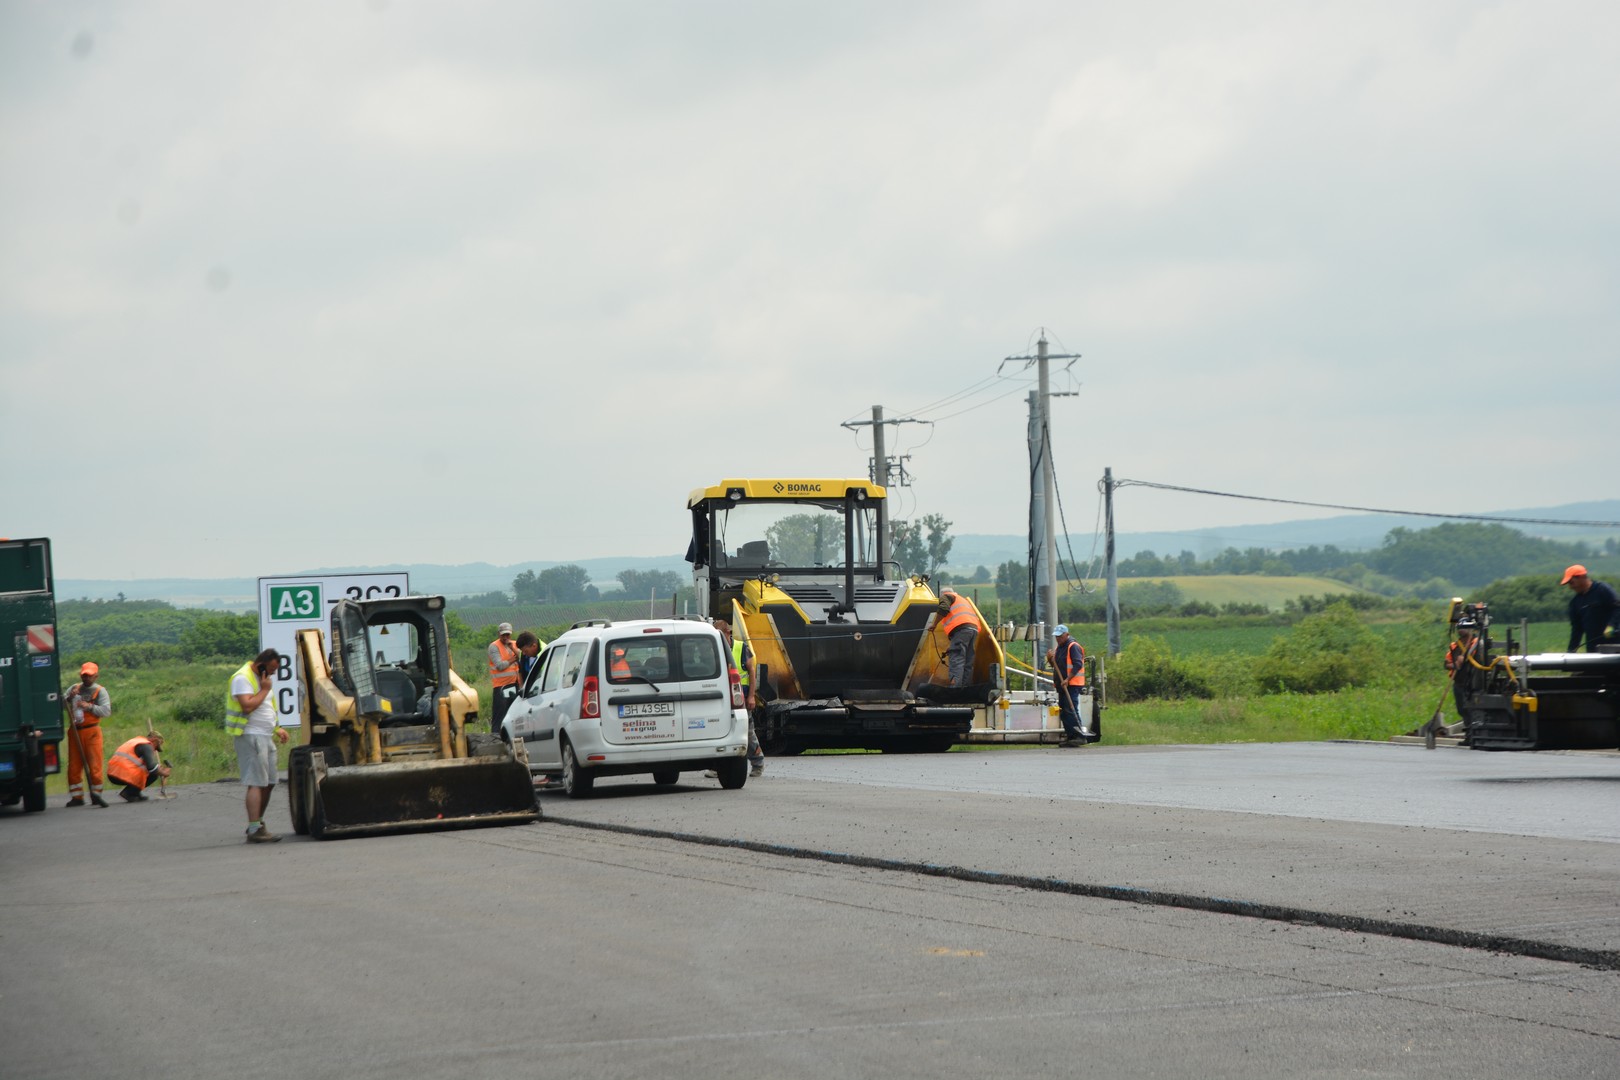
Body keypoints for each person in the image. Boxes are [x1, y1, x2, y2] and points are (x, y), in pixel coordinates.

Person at [226, 648, 290, 843]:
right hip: (251, 735)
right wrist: (264, 689)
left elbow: (266, 707)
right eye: (271, 668)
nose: (272, 673)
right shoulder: (242, 678)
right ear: (262, 663)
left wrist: (277, 727)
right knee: (256, 781)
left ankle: (258, 823)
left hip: (265, 736)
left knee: (269, 782)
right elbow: (247, 705)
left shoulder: (262, 680)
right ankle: (254, 828)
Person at [713, 619, 764, 778]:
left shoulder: (741, 648)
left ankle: (758, 763)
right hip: (724, 698)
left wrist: (751, 697)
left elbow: (751, 672)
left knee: (747, 732)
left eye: (721, 636)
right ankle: (717, 766)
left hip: (741, 698)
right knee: (719, 731)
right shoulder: (715, 648)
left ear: (728, 633)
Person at [62, 661, 111, 807]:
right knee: (74, 766)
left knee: (94, 765)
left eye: (89, 676)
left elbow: (106, 711)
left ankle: (96, 795)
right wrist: (70, 698)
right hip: (75, 731)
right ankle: (77, 797)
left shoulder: (100, 691)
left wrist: (89, 707)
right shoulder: (74, 689)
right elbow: (61, 705)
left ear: (96, 676)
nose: (86, 678)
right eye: (84, 675)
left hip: (92, 731)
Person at [1045, 625, 1089, 747]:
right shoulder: (1059, 648)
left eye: (1060, 636)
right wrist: (1050, 659)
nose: (1058, 639)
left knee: (1071, 709)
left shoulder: (1073, 646)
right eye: (1056, 636)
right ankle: (1071, 737)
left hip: (1072, 685)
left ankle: (1079, 736)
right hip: (1062, 685)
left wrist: (1067, 679)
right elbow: (1057, 666)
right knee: (1064, 712)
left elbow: (1078, 664)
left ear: (1067, 635)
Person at [1562, 565, 1619, 653]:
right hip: (1593, 647)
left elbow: (1617, 607)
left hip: (1614, 644)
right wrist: (1571, 651)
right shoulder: (1575, 602)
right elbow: (1577, 629)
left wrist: (1611, 625)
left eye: (1571, 582)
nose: (1570, 587)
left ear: (1581, 577)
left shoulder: (1602, 589)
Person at [107, 730, 172, 802]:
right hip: (122, 773)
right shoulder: (147, 746)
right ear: (155, 740)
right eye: (156, 747)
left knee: (153, 770)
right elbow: (151, 768)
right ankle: (129, 793)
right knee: (153, 774)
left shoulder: (136, 741)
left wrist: (158, 768)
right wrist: (164, 773)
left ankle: (135, 792)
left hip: (112, 773)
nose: (155, 750)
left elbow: (139, 763)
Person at [937, 588, 979, 688]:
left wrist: (934, 624)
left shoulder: (946, 596)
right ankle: (965, 689)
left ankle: (954, 689)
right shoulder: (963, 600)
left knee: (957, 658)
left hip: (962, 629)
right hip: (974, 629)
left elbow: (943, 609)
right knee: (968, 661)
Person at [1444, 621, 1482, 725]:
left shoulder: (1476, 643)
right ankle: (1468, 734)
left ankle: (1472, 734)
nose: (1461, 629)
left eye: (1464, 627)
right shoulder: (1454, 646)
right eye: (1459, 627)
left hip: (1472, 684)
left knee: (1472, 710)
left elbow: (1474, 657)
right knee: (1462, 710)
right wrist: (1455, 665)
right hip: (1459, 683)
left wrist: (1464, 658)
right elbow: (1446, 664)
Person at [488, 622, 521, 731]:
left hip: (515, 684)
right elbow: (500, 666)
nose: (506, 637)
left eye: (508, 635)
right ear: (499, 634)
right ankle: (496, 737)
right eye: (503, 635)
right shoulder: (494, 647)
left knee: (515, 714)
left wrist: (513, 649)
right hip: (501, 687)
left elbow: (521, 657)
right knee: (500, 716)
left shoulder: (515, 644)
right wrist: (514, 658)